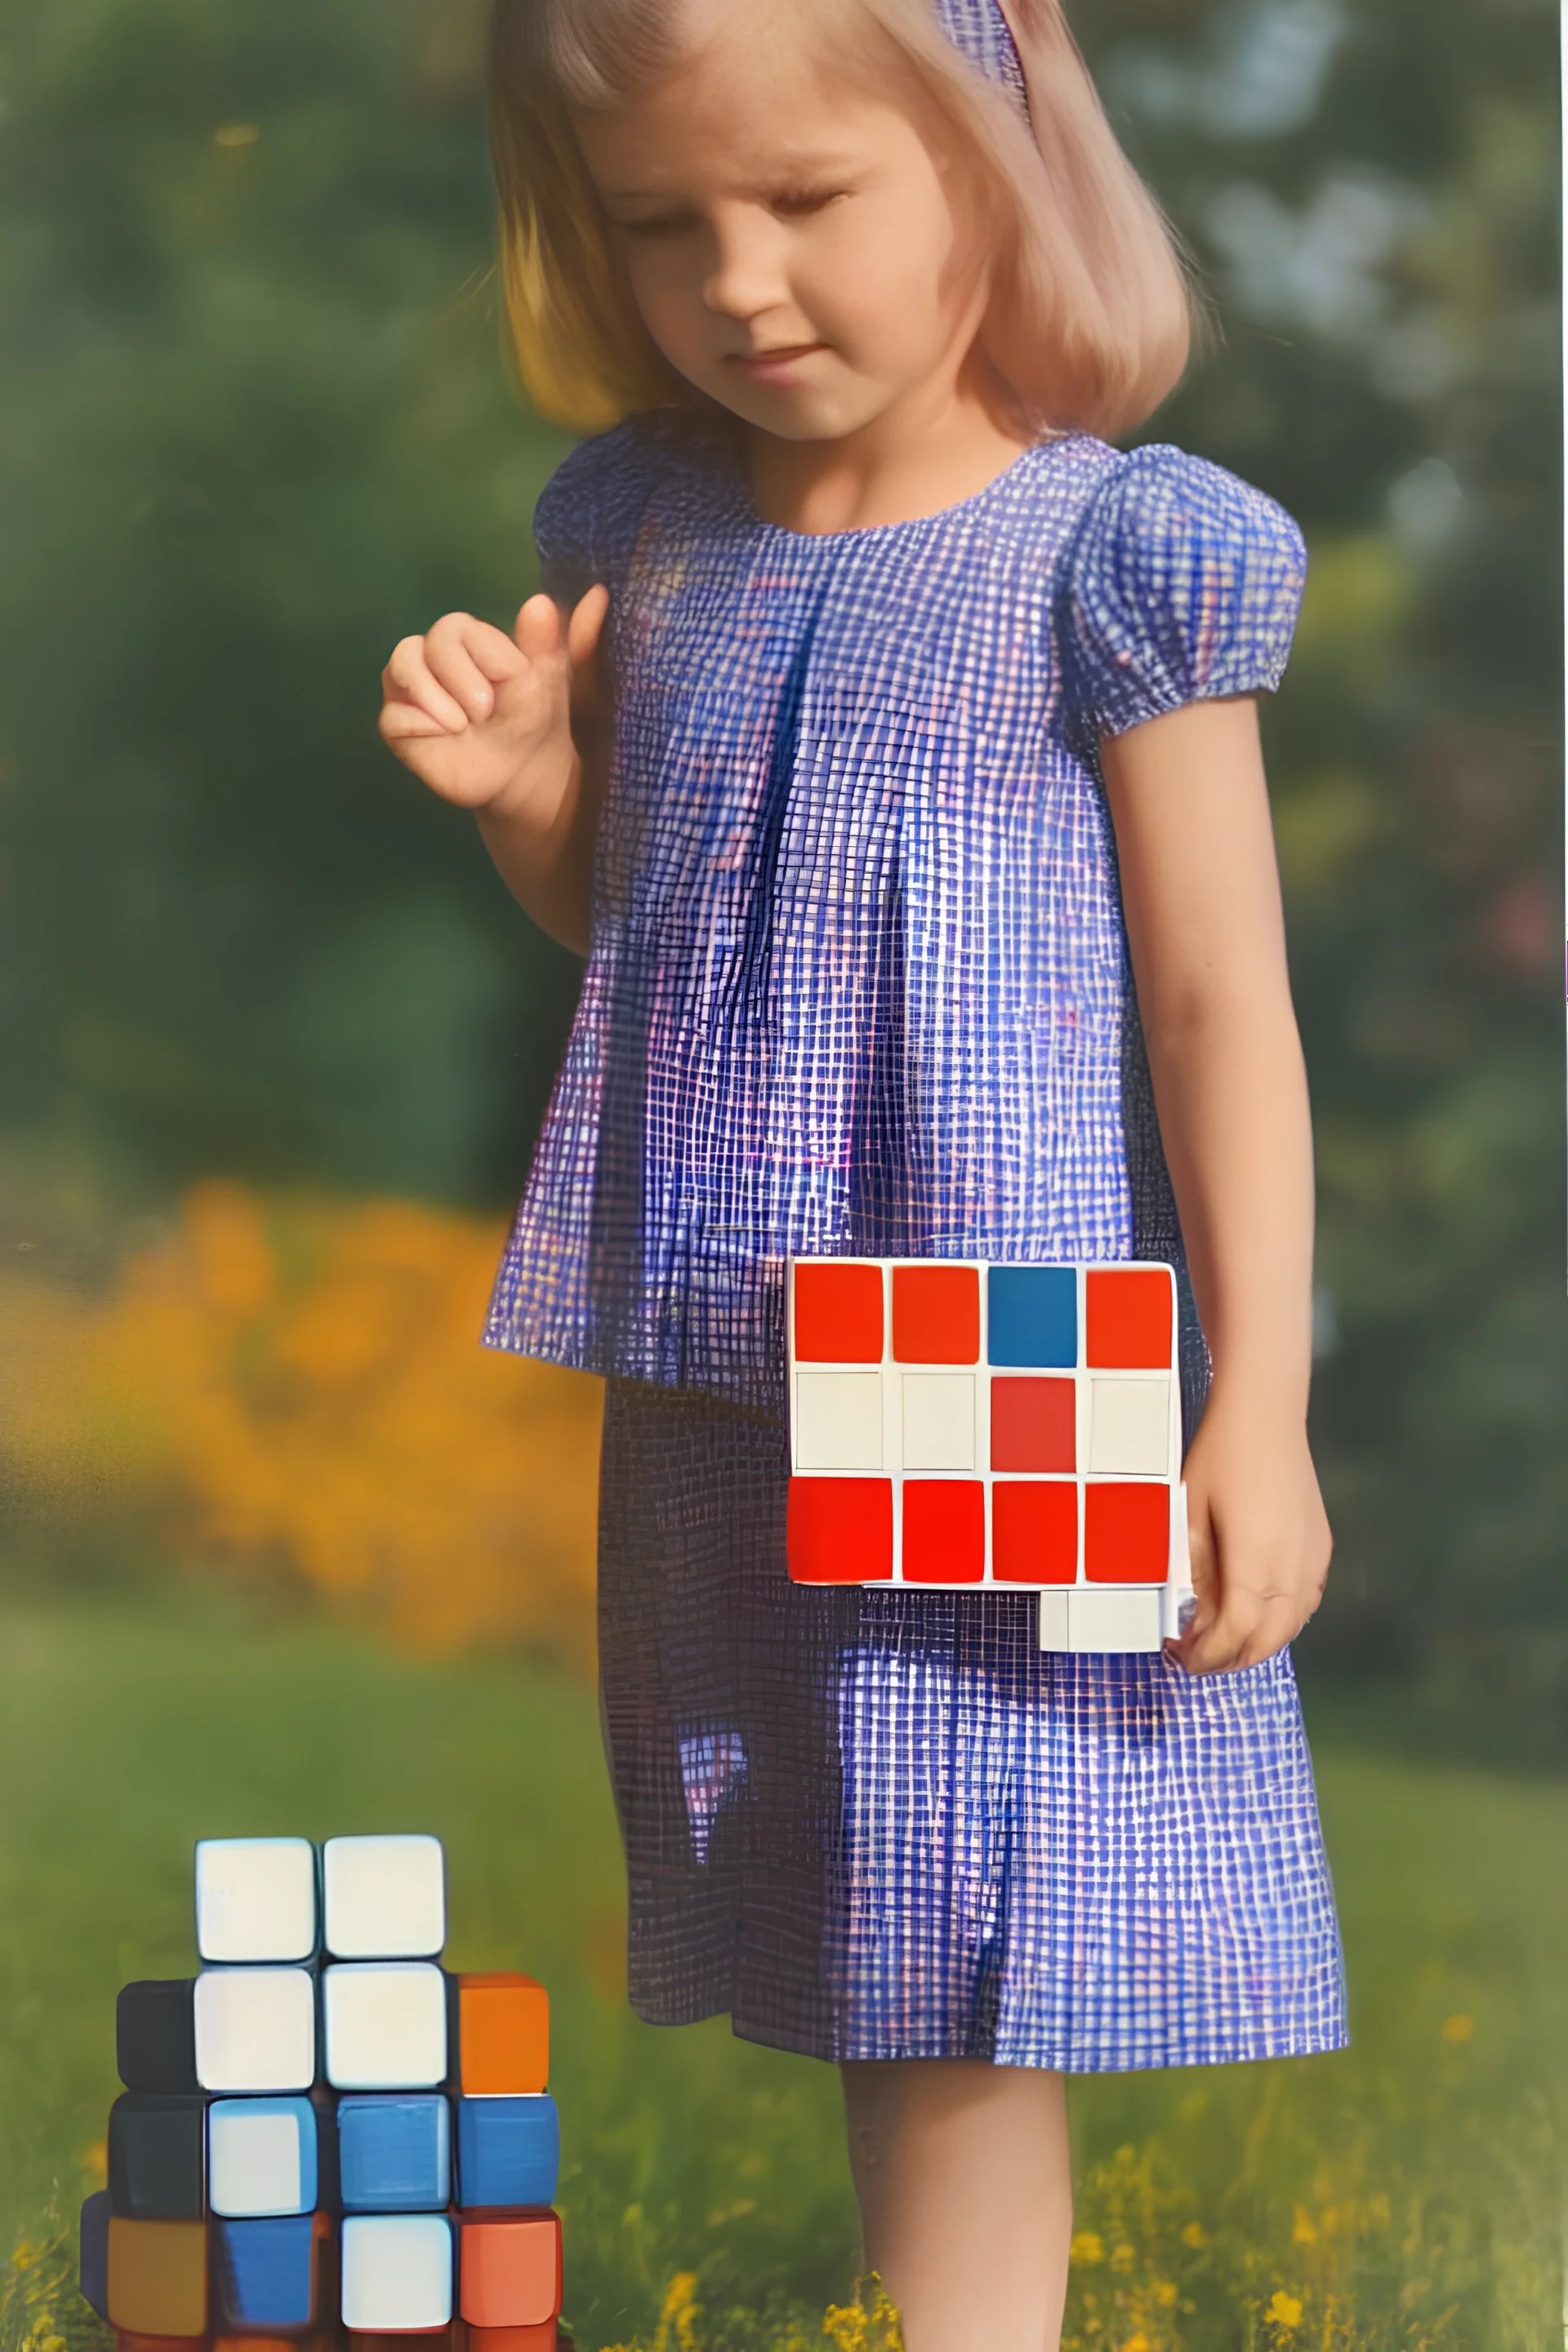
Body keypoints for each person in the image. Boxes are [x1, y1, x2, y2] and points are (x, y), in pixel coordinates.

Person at [377, 0, 1347, 2342]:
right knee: (831, 1863)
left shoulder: (1114, 550)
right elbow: (670, 918)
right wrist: (536, 810)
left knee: (964, 1894)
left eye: (808, 202)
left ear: (997, 163)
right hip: (722, 1323)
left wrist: (1260, 1406)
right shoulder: (650, 531)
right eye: (660, 222)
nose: (739, 282)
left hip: (986, 1311)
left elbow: (1222, 1004)